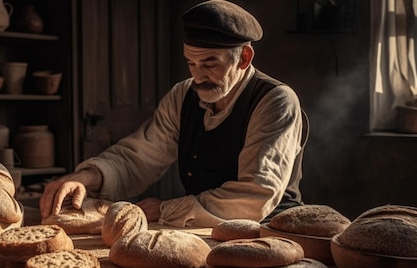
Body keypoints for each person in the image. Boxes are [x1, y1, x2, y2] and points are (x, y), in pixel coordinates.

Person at [40, 0, 308, 228]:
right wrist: (84, 178)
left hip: (270, 233)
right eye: (191, 63)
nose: (198, 76)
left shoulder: (275, 101)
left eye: (210, 63)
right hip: (201, 231)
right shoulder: (183, 95)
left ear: (244, 58)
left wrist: (165, 210)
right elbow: (138, 159)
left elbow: (255, 197)